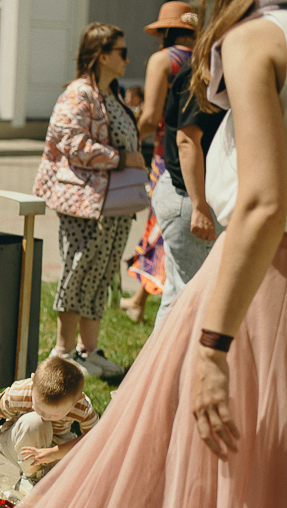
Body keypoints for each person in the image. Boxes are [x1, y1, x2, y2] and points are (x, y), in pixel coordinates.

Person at [0, 1, 287, 508]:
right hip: (124, 214)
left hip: (257, 288)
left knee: (199, 477)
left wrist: (210, 349)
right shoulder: (94, 92)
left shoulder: (254, 38)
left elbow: (262, 200)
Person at [33, 23, 144, 378]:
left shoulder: (112, 94)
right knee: (78, 273)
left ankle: (89, 351)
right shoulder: (79, 94)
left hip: (110, 205)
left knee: (101, 274)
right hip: (83, 203)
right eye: (122, 52)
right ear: (101, 55)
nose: (128, 59)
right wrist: (121, 158)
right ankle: (63, 355)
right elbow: (72, 144)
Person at [120, 2, 197, 323]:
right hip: (204, 158)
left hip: (168, 159)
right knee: (169, 233)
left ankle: (146, 300)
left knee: (161, 228)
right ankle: (141, 298)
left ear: (164, 32)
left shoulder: (163, 60)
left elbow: (151, 117)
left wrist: (129, 136)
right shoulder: (208, 59)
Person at [0, 356, 99, 494]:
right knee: (35, 422)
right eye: (40, 408)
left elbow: (97, 437)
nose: (45, 416)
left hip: (56, 444)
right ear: (33, 382)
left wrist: (54, 453)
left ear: (78, 400)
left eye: (54, 415)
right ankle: (31, 478)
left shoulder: (82, 407)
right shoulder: (20, 392)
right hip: (17, 440)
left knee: (82, 476)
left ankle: (51, 477)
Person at [152, 61, 226, 325]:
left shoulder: (209, 70)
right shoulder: (204, 73)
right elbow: (187, 141)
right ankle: (169, 367)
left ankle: (158, 366)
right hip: (191, 199)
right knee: (190, 302)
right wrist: (200, 206)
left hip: (187, 197)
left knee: (177, 298)